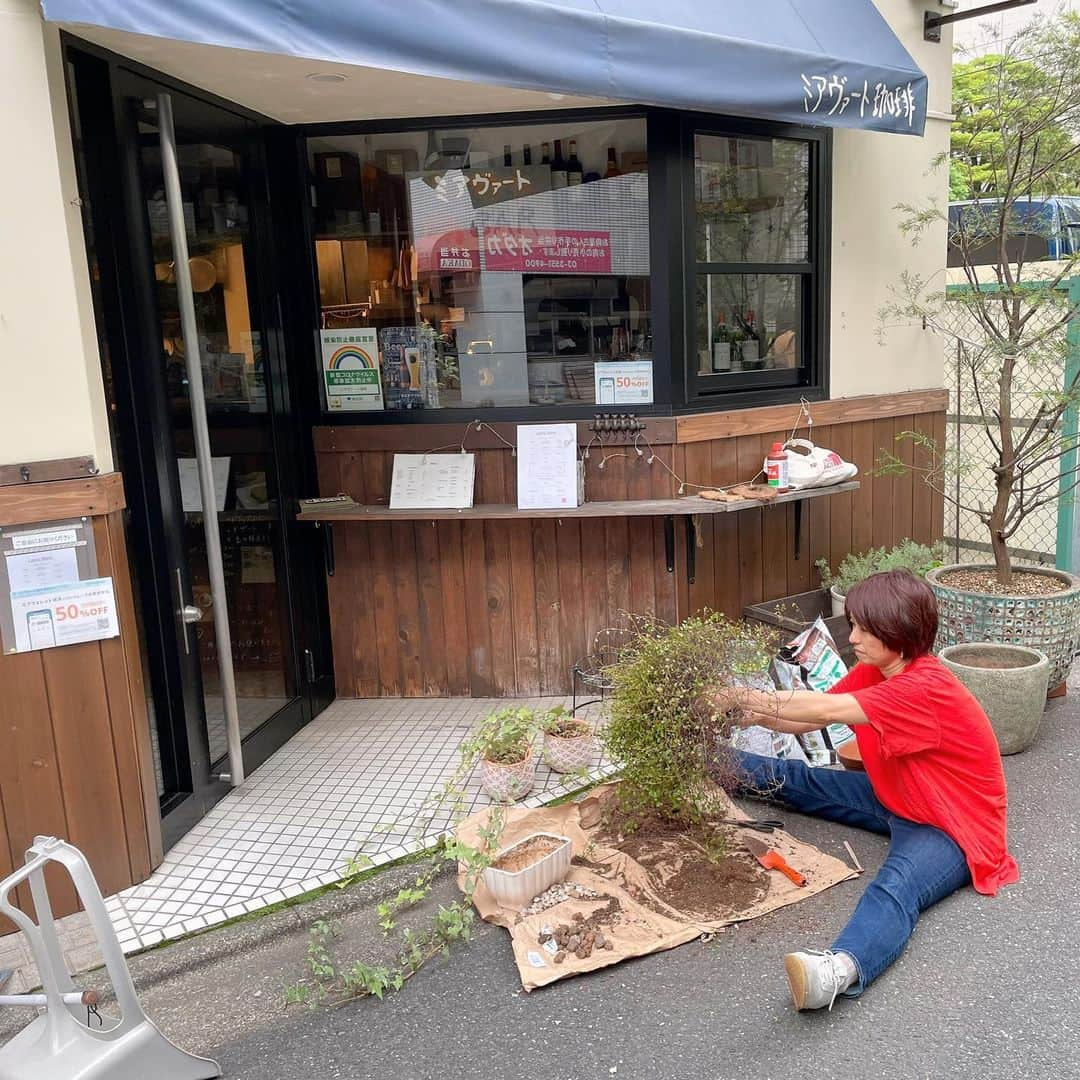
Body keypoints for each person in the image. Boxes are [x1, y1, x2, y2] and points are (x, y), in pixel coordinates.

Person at [709, 569, 1019, 1011]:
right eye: (853, 624)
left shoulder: (924, 686)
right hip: (899, 792)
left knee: (897, 886)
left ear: (898, 629)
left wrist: (742, 695)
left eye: (862, 627)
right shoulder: (877, 670)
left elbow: (826, 706)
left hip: (953, 825)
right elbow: (812, 718)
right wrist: (755, 716)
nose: (851, 636)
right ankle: (712, 765)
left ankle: (837, 970)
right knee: (800, 780)